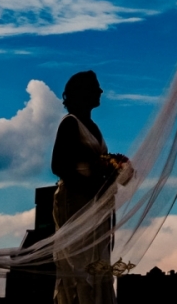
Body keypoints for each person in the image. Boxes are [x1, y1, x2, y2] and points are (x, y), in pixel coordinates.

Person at [51, 71, 123, 304]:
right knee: (79, 264)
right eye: (96, 87)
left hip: (96, 207)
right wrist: (94, 183)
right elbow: (58, 165)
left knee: (96, 263)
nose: (101, 91)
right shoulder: (70, 124)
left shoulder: (93, 126)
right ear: (83, 92)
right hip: (76, 203)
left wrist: (113, 171)